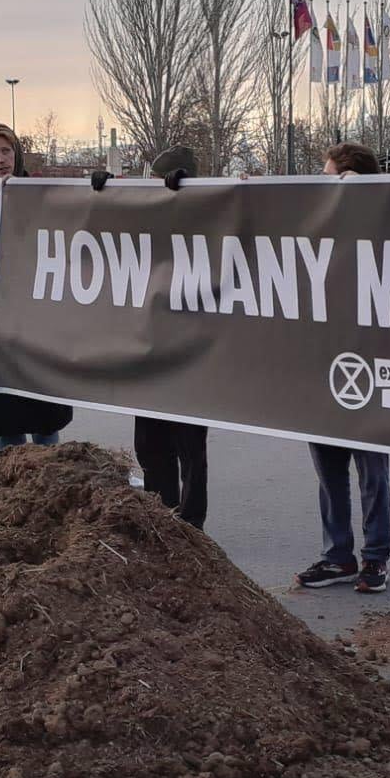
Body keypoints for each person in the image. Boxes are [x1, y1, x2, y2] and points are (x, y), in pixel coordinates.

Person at [295, 143, 390, 594]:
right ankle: (338, 556)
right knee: (329, 472)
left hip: (368, 364)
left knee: (372, 473)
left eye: (331, 176)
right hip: (321, 363)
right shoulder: (317, 227)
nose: (325, 183)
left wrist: (372, 193)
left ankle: (375, 557)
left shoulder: (383, 224)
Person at [0, 121, 73, 451]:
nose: (0, 160)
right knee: (7, 425)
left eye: (5, 151)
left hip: (40, 330)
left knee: (45, 421)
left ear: (17, 153)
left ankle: (51, 474)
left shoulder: (44, 199)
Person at [126, 145, 212, 528]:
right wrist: (101, 192)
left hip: (191, 355)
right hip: (150, 353)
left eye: (158, 180)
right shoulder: (147, 219)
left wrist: (189, 201)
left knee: (189, 448)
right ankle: (163, 520)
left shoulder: (206, 216)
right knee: (149, 445)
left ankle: (191, 527)